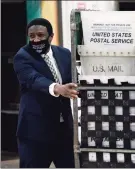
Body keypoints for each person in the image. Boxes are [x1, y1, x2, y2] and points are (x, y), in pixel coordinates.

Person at [13, 18, 78, 168]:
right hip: (35, 133)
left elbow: (74, 79)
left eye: (40, 35)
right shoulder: (22, 56)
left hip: (64, 131)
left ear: (51, 36)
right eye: (32, 36)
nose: (36, 40)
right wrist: (57, 88)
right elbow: (33, 79)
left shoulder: (64, 54)